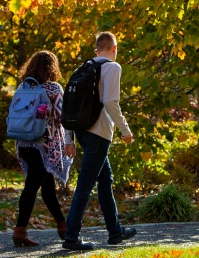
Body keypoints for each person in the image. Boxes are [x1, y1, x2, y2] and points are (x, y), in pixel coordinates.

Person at [62, 32, 137, 251]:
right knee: (85, 185)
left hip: (83, 131)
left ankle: (115, 232)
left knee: (105, 180)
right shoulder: (113, 67)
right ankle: (71, 237)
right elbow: (111, 102)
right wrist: (125, 130)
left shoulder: (82, 68)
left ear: (97, 50)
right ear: (115, 48)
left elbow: (69, 106)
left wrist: (70, 139)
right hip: (100, 132)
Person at [11, 51, 73, 247]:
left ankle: (64, 227)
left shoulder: (24, 87)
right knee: (31, 188)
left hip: (24, 143)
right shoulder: (54, 89)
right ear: (52, 68)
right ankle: (20, 231)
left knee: (47, 190)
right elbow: (61, 117)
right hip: (44, 147)